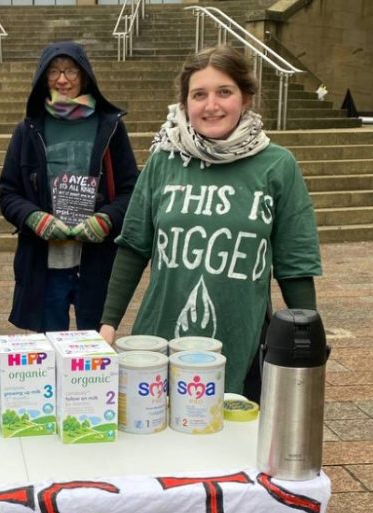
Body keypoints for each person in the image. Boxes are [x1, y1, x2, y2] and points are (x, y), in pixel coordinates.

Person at [98, 46, 322, 396]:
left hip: (242, 341)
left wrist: (307, 340)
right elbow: (133, 249)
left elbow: (295, 263)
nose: (211, 105)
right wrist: (108, 325)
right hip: (160, 342)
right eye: (198, 94)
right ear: (185, 102)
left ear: (246, 98)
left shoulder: (277, 166)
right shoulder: (164, 160)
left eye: (224, 92)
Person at [0, 41, 139, 333]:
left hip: (95, 263)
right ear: (43, 77)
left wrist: (107, 218)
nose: (63, 79)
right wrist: (34, 217)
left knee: (94, 353)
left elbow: (131, 190)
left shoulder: (109, 127)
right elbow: (8, 193)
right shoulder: (28, 129)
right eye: (54, 71)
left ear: (85, 76)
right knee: (49, 354)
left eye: (71, 71)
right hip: (44, 265)